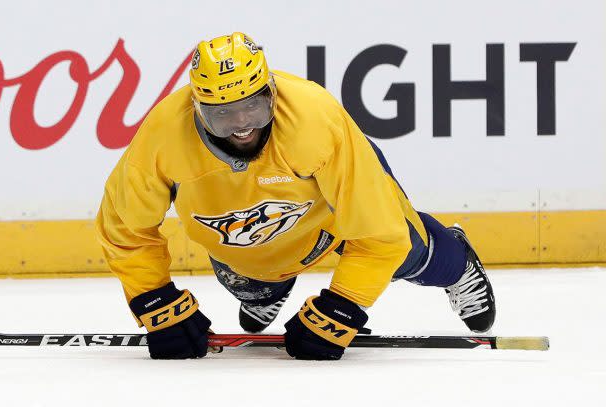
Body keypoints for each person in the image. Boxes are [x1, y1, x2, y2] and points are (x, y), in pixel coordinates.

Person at [95, 32, 496, 360]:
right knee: (249, 283)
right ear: (198, 107)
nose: (241, 127)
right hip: (244, 233)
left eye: (253, 107)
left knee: (410, 251)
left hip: (330, 213)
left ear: (270, 90)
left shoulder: (314, 120)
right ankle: (271, 284)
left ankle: (456, 262)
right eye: (223, 114)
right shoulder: (162, 137)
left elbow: (378, 232)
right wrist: (155, 300)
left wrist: (344, 306)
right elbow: (124, 228)